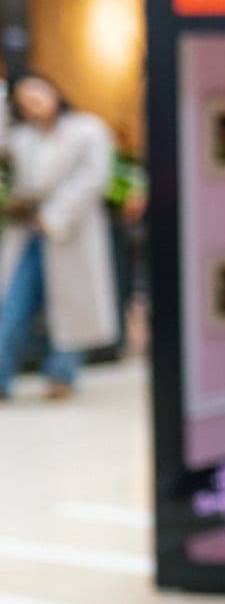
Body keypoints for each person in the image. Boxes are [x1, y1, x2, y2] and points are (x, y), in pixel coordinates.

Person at [0, 72, 120, 400]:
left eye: (37, 94)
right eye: (25, 101)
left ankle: (62, 375)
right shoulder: (21, 137)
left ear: (54, 91)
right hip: (28, 234)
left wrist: (53, 215)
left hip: (69, 232)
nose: (34, 104)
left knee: (70, 308)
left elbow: (94, 177)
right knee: (12, 306)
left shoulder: (87, 129)